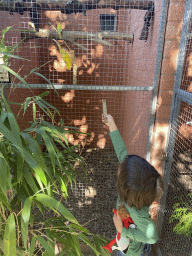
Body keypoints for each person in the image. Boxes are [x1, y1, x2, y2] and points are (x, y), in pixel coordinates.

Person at [103, 114, 164, 256]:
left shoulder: (138, 214)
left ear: (126, 190)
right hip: (125, 242)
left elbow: (152, 237)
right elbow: (122, 154)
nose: (119, 171)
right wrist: (112, 125)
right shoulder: (137, 185)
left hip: (132, 253)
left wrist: (122, 230)